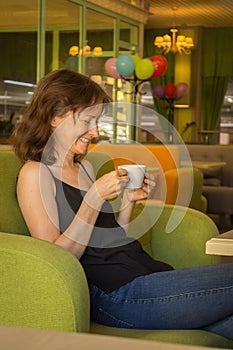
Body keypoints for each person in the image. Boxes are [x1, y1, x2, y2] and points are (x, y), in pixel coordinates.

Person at [13, 68, 233, 340]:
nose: (95, 132)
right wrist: (94, 199)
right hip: (116, 295)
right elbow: (54, 262)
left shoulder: (84, 169)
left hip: (144, 274)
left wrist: (128, 202)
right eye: (87, 121)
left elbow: (112, 239)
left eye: (97, 122)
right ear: (55, 117)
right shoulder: (35, 173)